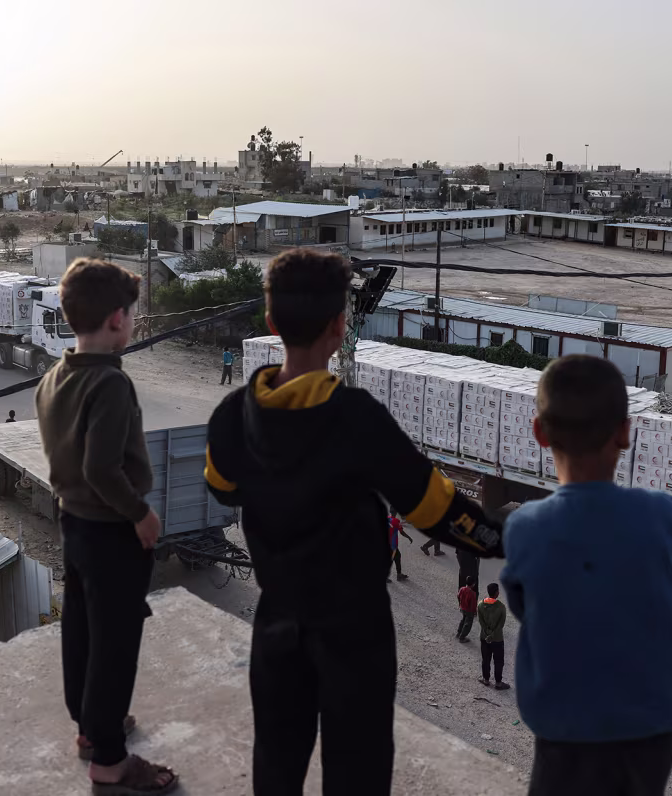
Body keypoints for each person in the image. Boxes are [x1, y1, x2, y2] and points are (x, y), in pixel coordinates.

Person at [202, 248, 503, 795]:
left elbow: (221, 488)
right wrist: (498, 536)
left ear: (271, 323)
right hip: (355, 630)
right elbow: (436, 511)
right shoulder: (357, 419)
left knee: (276, 757)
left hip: (277, 623)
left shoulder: (230, 418)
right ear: (341, 327)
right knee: (358, 766)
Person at [501, 355, 672, 796]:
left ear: (539, 433)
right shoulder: (665, 514)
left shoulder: (526, 527)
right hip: (657, 720)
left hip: (567, 723)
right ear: (625, 433)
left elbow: (524, 605)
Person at [34, 257, 178, 795]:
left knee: (83, 631)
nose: (135, 324)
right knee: (115, 644)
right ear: (117, 319)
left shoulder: (56, 375)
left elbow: (71, 462)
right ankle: (111, 761)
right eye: (134, 316)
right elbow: (101, 468)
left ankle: (91, 730)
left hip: (74, 524)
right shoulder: (111, 385)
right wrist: (140, 514)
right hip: (111, 529)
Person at [478, 582, 509, 690]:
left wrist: (487, 633)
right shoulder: (501, 607)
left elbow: (481, 621)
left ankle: (486, 679)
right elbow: (501, 624)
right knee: (498, 660)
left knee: (485, 659)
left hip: (484, 637)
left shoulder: (480, 605)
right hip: (497, 639)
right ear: (496, 593)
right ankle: (498, 683)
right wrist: (492, 634)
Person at [387, 511, 413, 581]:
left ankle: (399, 574)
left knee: (397, 557)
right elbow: (401, 532)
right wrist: (409, 537)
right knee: (395, 558)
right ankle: (397, 575)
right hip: (392, 544)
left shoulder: (387, 518)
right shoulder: (396, 521)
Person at [456, 575, 478, 643]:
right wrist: (475, 612)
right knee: (468, 624)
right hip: (469, 610)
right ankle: (462, 637)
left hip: (462, 608)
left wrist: (460, 603)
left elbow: (458, 596)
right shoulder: (473, 594)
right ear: (473, 584)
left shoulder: (462, 589)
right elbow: (473, 605)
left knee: (463, 620)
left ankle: (459, 633)